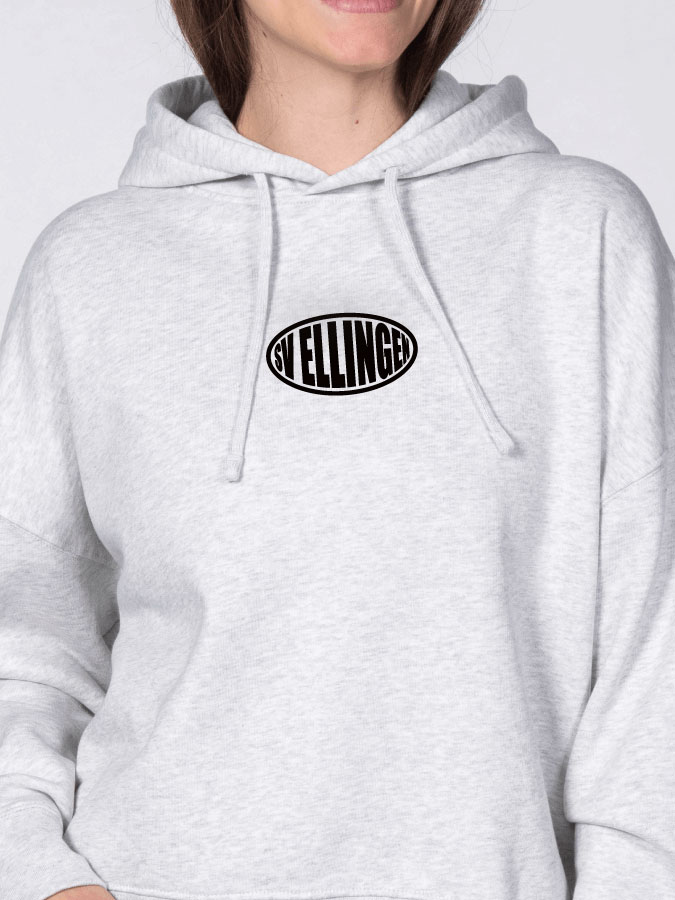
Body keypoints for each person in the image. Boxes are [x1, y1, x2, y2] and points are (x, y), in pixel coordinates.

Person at [1, 1, 674, 899]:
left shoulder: (580, 233)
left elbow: (655, 655)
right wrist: (40, 876)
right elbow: (25, 646)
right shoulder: (90, 267)